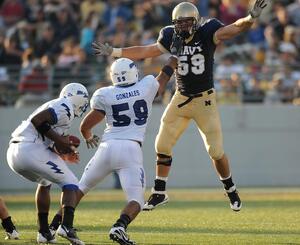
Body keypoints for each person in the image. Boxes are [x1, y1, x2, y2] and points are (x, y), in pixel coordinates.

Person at [92, 0, 268, 212]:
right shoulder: (169, 35)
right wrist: (116, 52)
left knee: (216, 151)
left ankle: (230, 188)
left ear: (196, 21)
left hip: (205, 100)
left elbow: (234, 29)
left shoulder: (208, 30)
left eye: (187, 23)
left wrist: (250, 18)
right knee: (162, 145)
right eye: (179, 23)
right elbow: (146, 51)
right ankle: (159, 192)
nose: (183, 27)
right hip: (180, 97)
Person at [72, 56, 177, 245]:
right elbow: (163, 78)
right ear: (133, 72)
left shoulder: (104, 94)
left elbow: (85, 126)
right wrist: (173, 61)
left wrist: (88, 137)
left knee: (80, 188)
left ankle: (57, 225)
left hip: (107, 146)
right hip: (131, 148)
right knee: (136, 200)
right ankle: (119, 226)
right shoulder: (146, 85)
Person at [6, 83, 88, 245]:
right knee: (71, 182)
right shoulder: (65, 106)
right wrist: (62, 142)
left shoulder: (58, 106)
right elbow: (38, 121)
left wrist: (66, 153)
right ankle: (66, 227)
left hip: (15, 152)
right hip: (30, 148)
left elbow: (49, 140)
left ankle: (44, 233)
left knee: (46, 182)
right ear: (78, 97)